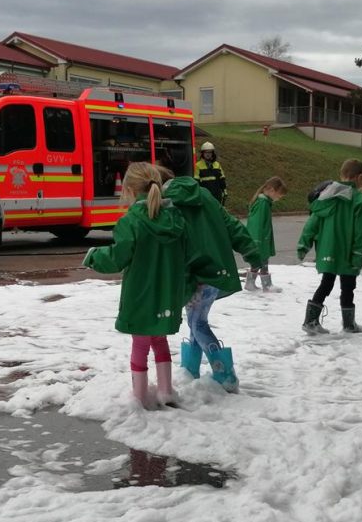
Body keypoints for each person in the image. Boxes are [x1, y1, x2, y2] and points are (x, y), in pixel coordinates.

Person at [83, 162, 188, 409]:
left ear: (129, 190)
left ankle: (139, 399)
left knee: (140, 344)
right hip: (167, 294)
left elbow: (117, 258)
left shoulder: (131, 222)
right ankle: (165, 391)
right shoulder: (176, 218)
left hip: (140, 293)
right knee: (159, 340)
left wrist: (93, 256)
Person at [163, 169, 262, 393]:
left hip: (195, 274)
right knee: (195, 320)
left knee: (197, 323)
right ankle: (190, 369)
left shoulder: (168, 204)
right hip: (216, 270)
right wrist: (251, 253)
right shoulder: (206, 196)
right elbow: (232, 225)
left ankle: (225, 375)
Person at [298, 159, 362, 335]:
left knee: (326, 284)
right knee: (348, 287)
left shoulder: (326, 195)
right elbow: (361, 231)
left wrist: (304, 244)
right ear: (359, 177)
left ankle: (310, 321)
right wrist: (358, 255)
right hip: (347, 252)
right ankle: (348, 324)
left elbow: (313, 221)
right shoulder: (359, 198)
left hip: (328, 249)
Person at [244, 176, 287, 292]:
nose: (278, 199)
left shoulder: (263, 201)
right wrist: (258, 240)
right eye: (279, 196)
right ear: (272, 190)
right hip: (260, 238)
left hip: (261, 237)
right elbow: (257, 223)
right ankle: (266, 285)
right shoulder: (263, 203)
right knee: (262, 260)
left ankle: (251, 283)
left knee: (260, 260)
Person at [193, 141, 228, 206]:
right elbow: (196, 181)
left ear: (212, 153)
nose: (208, 154)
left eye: (210, 152)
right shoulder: (198, 165)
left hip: (217, 194)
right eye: (206, 152)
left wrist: (224, 190)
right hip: (205, 195)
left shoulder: (217, 165)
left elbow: (222, 179)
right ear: (202, 153)